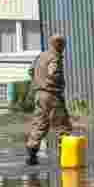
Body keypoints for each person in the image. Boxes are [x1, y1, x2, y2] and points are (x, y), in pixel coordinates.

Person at [25, 34, 71, 166]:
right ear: (59, 45)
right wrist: (57, 84)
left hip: (39, 95)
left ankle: (31, 154)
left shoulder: (41, 56)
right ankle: (67, 157)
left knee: (40, 124)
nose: (63, 48)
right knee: (62, 125)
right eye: (63, 45)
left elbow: (30, 70)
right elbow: (53, 73)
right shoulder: (54, 57)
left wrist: (37, 82)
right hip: (51, 95)